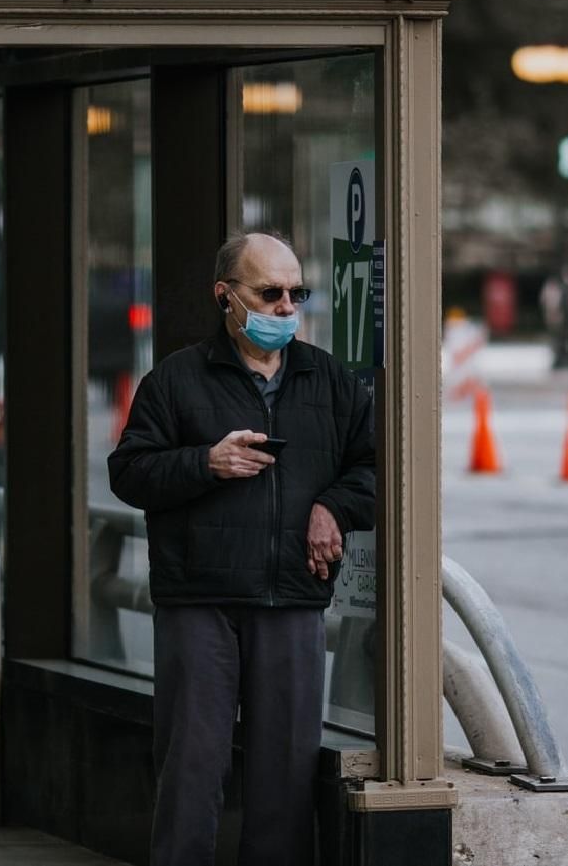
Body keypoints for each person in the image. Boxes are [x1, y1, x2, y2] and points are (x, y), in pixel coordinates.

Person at [108, 231, 375, 866]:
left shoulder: (329, 380)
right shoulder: (177, 378)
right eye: (270, 293)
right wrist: (207, 461)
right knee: (192, 770)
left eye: (296, 293)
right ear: (226, 297)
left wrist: (331, 507)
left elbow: (371, 472)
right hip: (200, 601)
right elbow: (130, 472)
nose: (287, 306)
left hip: (292, 600)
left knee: (285, 776)